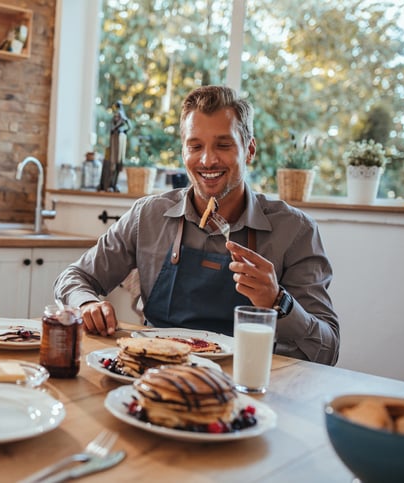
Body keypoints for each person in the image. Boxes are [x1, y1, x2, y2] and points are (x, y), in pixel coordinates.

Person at [55, 85, 339, 365]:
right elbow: (73, 277)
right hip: (154, 372)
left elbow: (328, 349)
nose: (207, 160)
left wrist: (278, 301)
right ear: (183, 152)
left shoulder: (296, 230)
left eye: (223, 145)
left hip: (243, 383)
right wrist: (87, 304)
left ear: (249, 150)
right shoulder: (148, 215)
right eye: (195, 146)